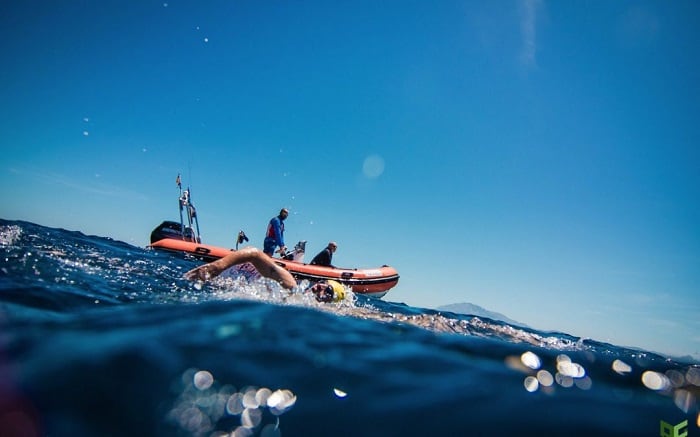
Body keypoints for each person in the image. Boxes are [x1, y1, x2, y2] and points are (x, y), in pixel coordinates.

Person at [184, 246, 346, 303]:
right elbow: (254, 253)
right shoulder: (291, 286)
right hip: (210, 283)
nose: (320, 287)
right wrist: (215, 268)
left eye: (328, 291)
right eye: (325, 283)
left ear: (329, 302)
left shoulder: (299, 302)